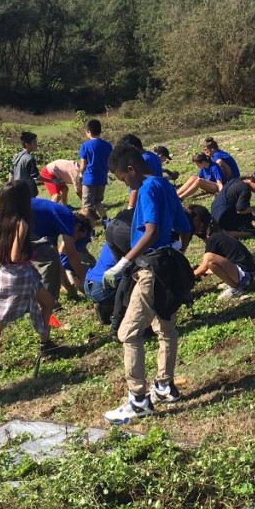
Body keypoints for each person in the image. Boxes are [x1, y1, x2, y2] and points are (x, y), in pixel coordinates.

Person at [102, 143, 193, 424]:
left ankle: (138, 400)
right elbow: (186, 227)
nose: (124, 184)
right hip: (168, 266)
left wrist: (123, 263)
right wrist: (177, 251)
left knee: (128, 333)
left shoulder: (147, 189)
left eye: (122, 178)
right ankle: (164, 386)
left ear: (131, 169)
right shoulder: (164, 184)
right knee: (166, 327)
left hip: (151, 269)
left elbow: (151, 232)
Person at [0, 181, 57, 374]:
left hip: (2, 273)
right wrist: (32, 255)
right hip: (20, 275)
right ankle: (44, 344)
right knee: (46, 304)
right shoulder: (20, 223)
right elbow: (16, 256)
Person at [185, 204, 255, 299]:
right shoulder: (216, 234)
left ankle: (236, 288)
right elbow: (213, 267)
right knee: (208, 263)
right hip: (246, 273)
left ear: (196, 221)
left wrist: (191, 275)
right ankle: (233, 283)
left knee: (208, 258)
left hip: (244, 275)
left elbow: (206, 264)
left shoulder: (213, 238)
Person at [29, 198, 88, 304]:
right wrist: (83, 277)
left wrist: (69, 288)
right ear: (78, 226)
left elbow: (58, 261)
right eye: (79, 236)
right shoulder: (67, 216)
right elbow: (71, 254)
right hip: (15, 222)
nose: (76, 240)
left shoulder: (53, 228)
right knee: (49, 261)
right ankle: (47, 302)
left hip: (7, 221)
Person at [210, 172, 255, 237]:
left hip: (214, 214)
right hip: (222, 217)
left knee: (247, 209)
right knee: (247, 215)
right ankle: (242, 231)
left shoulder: (236, 180)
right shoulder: (245, 190)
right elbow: (240, 210)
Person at [78, 118, 112, 220]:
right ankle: (106, 221)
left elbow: (83, 165)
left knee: (88, 205)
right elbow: (110, 162)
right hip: (102, 178)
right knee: (98, 201)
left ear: (88, 132)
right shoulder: (108, 145)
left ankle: (89, 228)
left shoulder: (85, 146)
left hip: (89, 179)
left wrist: (80, 175)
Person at [10, 131, 40, 196]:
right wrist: (51, 181)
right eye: (34, 142)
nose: (36, 144)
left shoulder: (16, 156)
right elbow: (36, 176)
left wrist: (9, 187)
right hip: (27, 191)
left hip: (17, 190)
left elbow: (11, 174)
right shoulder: (29, 158)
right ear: (27, 145)